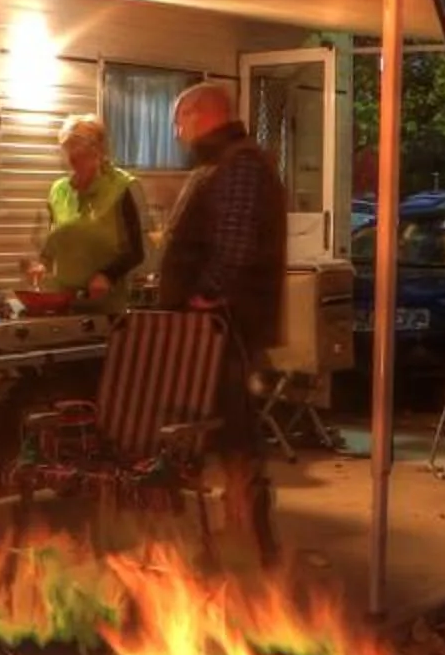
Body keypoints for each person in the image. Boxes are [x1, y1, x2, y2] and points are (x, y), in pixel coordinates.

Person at [152, 81, 287, 561]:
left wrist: (207, 296)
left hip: (226, 328)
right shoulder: (220, 164)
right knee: (221, 431)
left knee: (234, 433)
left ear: (201, 115)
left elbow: (235, 242)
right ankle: (228, 533)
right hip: (212, 329)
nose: (176, 130)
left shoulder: (240, 165)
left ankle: (250, 535)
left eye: (180, 119)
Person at [26, 115, 144, 312]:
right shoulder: (59, 190)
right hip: (63, 303)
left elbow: (136, 251)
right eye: (66, 148)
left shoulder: (123, 187)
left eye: (78, 148)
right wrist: (40, 264)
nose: (71, 156)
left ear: (98, 149)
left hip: (106, 307)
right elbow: (52, 243)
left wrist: (107, 275)